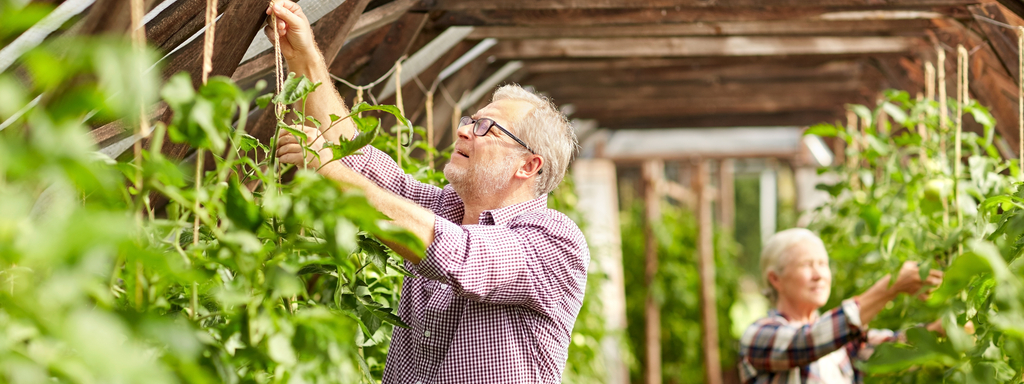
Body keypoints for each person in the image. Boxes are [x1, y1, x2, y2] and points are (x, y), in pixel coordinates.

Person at [264, 2, 587, 383]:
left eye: (487, 128)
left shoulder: (554, 243)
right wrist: (305, 56)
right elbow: (357, 159)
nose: (465, 130)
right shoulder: (447, 209)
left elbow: (461, 256)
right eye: (470, 120)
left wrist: (327, 170)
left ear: (528, 166)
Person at [739, 228, 945, 384]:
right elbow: (808, 341)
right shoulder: (759, 336)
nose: (819, 275)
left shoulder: (842, 343)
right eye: (807, 265)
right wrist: (889, 288)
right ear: (776, 279)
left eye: (823, 264)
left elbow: (890, 348)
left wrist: (940, 330)